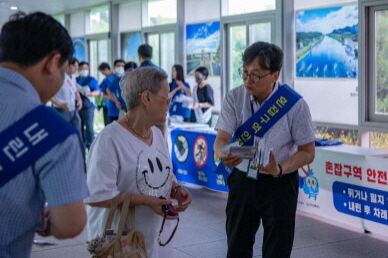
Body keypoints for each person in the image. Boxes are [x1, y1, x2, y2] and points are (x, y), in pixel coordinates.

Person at [214, 42, 315, 258]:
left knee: (278, 249)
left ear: (275, 75)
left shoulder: (295, 105)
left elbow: (308, 151)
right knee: (237, 246)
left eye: (256, 75)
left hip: (279, 182)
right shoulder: (235, 97)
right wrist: (222, 153)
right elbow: (221, 138)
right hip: (243, 181)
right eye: (245, 73)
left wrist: (279, 168)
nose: (248, 80)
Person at [0, 12, 89, 257]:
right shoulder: (51, 130)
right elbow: (70, 224)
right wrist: (40, 217)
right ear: (51, 63)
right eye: (63, 71)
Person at [86, 67, 192, 257]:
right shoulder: (110, 139)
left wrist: (176, 189)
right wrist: (147, 201)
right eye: (165, 96)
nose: (169, 103)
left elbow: (165, 175)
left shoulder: (157, 134)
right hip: (123, 243)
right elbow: (98, 195)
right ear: (147, 98)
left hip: (156, 239)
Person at [51, 57, 85, 159]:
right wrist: (61, 104)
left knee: (78, 134)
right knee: (62, 136)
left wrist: (79, 100)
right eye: (74, 66)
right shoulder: (58, 78)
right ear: (67, 65)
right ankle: (62, 159)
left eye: (77, 67)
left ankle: (80, 158)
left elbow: (75, 92)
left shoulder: (72, 78)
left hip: (73, 110)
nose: (76, 69)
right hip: (60, 110)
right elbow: (50, 95)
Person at [76, 61, 99, 150]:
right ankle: (82, 145)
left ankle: (91, 146)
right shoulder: (75, 80)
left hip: (88, 106)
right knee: (79, 126)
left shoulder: (91, 80)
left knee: (89, 126)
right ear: (78, 69)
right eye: (82, 68)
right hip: (77, 106)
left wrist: (88, 94)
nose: (83, 70)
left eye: (85, 68)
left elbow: (97, 92)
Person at [100, 59, 125, 123]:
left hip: (126, 110)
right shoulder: (108, 79)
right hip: (113, 110)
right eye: (118, 66)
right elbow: (102, 95)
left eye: (122, 66)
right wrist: (114, 99)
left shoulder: (128, 78)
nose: (120, 68)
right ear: (114, 67)